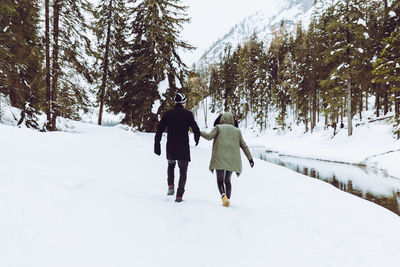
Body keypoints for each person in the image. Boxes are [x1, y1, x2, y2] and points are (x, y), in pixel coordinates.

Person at [154, 93, 200, 203]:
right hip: (183, 147)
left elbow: (159, 129)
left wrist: (157, 144)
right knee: (183, 170)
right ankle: (179, 195)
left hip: (171, 146)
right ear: (183, 102)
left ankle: (170, 187)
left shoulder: (168, 114)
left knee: (171, 166)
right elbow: (195, 128)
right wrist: (196, 138)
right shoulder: (188, 114)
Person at [200, 112, 254, 207]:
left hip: (219, 157)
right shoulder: (237, 131)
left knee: (220, 180)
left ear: (222, 119)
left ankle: (223, 196)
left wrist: (199, 132)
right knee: (227, 180)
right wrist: (250, 158)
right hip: (232, 159)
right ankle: (228, 200)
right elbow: (244, 146)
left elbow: (209, 137)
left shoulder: (218, 128)